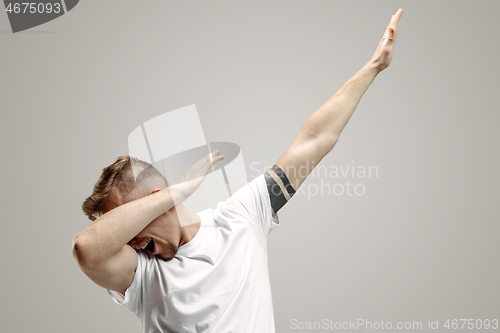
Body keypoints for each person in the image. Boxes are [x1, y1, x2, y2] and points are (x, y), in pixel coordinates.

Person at [72, 9, 403, 333]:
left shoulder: (241, 217)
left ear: (154, 198)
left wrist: (374, 67)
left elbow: (313, 141)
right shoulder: (141, 275)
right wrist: (179, 192)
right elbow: (86, 249)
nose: (130, 241)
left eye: (131, 222)